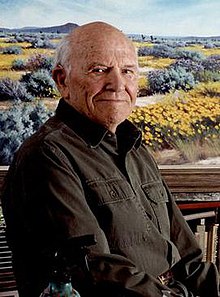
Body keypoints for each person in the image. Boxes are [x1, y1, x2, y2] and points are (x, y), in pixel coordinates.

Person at [1, 21, 219, 297]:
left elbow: (187, 255)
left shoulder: (134, 147)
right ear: (61, 80)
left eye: (127, 71)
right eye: (99, 70)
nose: (117, 85)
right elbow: (94, 271)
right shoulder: (47, 155)